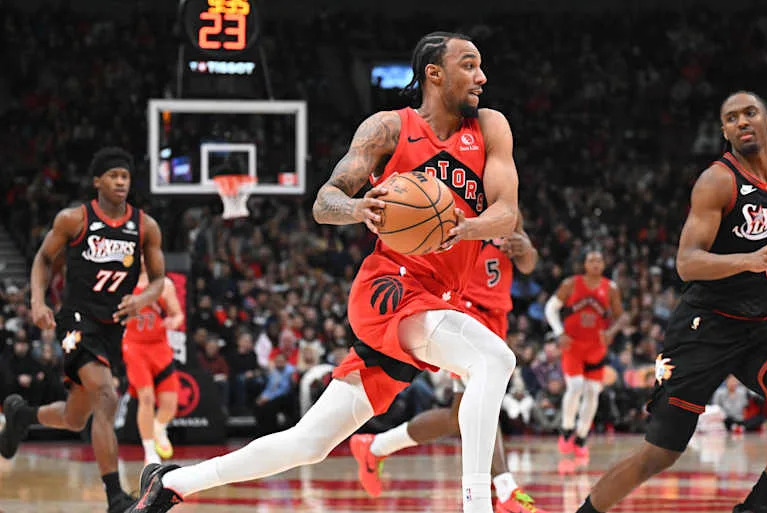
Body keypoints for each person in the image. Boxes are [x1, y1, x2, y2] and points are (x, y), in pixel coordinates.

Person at [127, 31, 519, 513]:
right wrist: (359, 209)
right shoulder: (388, 129)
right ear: (434, 74)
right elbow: (324, 201)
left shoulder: (490, 128)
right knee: (493, 359)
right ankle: (478, 505)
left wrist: (467, 227)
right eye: (469, 65)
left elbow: (508, 214)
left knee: (309, 442)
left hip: (437, 296)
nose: (482, 76)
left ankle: (173, 483)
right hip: (389, 285)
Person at [575, 91, 767, 513]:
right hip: (703, 325)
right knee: (660, 453)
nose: (742, 122)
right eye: (732, 118)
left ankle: (755, 507)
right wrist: (749, 259)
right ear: (724, 132)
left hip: (758, 324)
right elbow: (687, 263)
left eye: (749, 113)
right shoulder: (717, 181)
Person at [0, 147, 166, 513]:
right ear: (97, 182)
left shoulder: (144, 226)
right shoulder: (74, 219)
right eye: (113, 176)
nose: (121, 182)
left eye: (125, 176)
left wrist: (142, 300)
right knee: (106, 395)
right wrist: (38, 302)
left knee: (77, 417)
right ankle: (115, 498)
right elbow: (43, 259)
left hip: (113, 328)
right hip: (75, 321)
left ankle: (21, 415)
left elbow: (158, 280)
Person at [349, 219, 548, 513]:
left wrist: (525, 248)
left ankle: (375, 446)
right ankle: (506, 491)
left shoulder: (505, 203)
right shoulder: (453, 204)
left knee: (459, 417)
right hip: (464, 314)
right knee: (484, 405)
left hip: (496, 316)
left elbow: (529, 265)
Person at [545, 250, 627, 458]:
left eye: (599, 260)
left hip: (596, 348)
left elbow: (621, 318)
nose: (596, 263)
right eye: (591, 260)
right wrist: (559, 332)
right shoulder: (571, 284)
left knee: (592, 392)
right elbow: (550, 309)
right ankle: (566, 429)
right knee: (575, 387)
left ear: (604, 264)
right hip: (572, 346)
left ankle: (581, 436)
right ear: (584, 264)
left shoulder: (611, 288)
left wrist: (611, 331)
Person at [122, 264, 184, 466]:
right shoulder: (122, 283)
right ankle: (149, 452)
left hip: (159, 346)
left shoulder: (164, 284)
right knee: (146, 397)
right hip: (134, 346)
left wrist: (174, 322)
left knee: (170, 405)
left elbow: (177, 314)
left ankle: (158, 427)